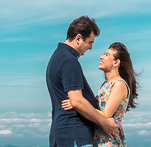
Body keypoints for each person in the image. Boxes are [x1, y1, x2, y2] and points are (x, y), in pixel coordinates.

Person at [46, 16, 120, 147]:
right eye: (90, 42)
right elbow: (77, 101)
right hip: (74, 132)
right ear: (78, 38)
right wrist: (104, 123)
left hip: (62, 133)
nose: (91, 47)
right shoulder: (69, 61)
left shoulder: (57, 57)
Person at [63, 41, 140, 147]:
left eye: (107, 55)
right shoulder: (106, 84)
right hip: (100, 139)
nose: (101, 57)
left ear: (116, 62)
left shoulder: (119, 85)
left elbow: (106, 115)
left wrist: (77, 105)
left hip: (109, 141)